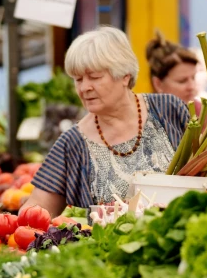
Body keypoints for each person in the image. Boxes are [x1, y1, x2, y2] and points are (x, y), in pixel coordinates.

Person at [24, 26, 190, 215]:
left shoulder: (169, 109)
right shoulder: (72, 143)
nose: (85, 87)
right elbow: (36, 209)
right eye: (78, 79)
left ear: (124, 76)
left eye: (94, 77)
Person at [146, 30, 199, 105]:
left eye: (193, 78)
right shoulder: (143, 114)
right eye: (182, 81)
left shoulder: (203, 111)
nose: (191, 87)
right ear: (158, 84)